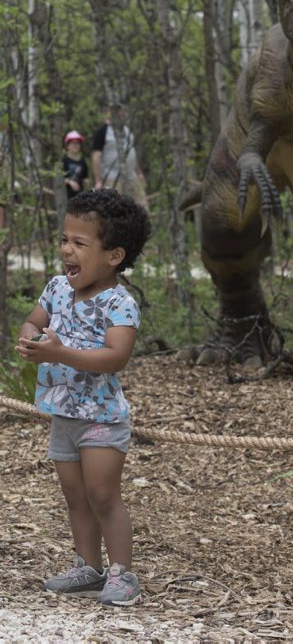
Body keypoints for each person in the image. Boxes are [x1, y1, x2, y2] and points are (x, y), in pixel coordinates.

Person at [16, 189, 151, 607]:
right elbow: (32, 321)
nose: (66, 250)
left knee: (102, 495)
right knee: (75, 496)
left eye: (79, 243)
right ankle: (88, 568)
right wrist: (31, 340)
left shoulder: (119, 303)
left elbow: (116, 357)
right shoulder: (57, 288)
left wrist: (57, 352)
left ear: (114, 256)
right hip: (64, 416)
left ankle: (122, 574)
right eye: (64, 239)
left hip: (102, 419)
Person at [91, 103, 148, 209]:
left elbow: (131, 152)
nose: (120, 114)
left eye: (122, 111)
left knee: (142, 206)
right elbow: (96, 157)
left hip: (131, 176)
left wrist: (139, 173)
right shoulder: (103, 131)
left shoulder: (127, 131)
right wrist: (98, 180)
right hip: (112, 177)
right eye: (117, 111)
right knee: (115, 209)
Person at [62, 130, 89, 198]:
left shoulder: (83, 162)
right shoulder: (64, 161)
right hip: (66, 196)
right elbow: (60, 179)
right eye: (73, 143)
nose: (75, 145)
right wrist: (70, 182)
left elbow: (85, 178)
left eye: (77, 143)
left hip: (80, 196)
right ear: (67, 146)